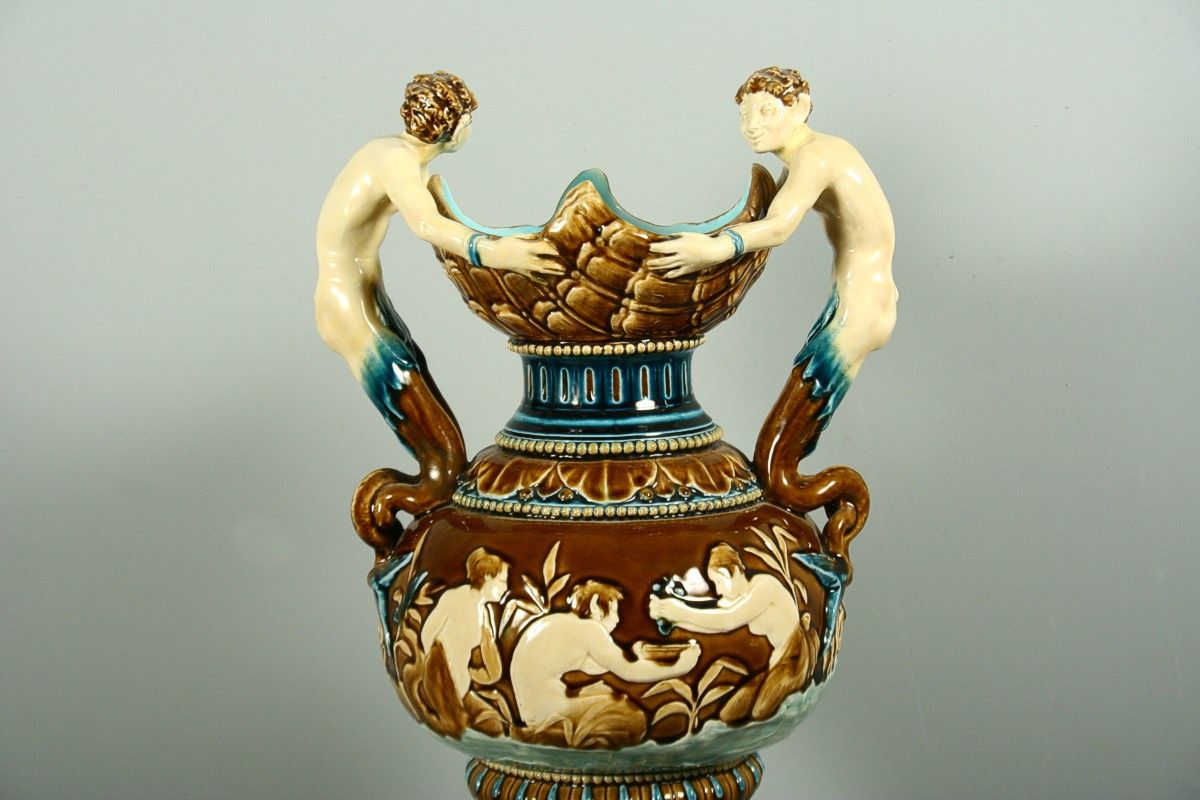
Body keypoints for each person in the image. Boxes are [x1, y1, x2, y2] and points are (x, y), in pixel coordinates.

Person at [646, 66, 896, 382]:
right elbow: (763, 217)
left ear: (800, 108)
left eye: (766, 111)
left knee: (799, 407)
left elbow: (778, 226)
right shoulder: (802, 160)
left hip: (862, 304)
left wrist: (716, 248)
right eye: (744, 115)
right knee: (799, 407)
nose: (752, 125)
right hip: (855, 295)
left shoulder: (816, 156)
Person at [315, 70, 561, 377]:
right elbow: (426, 224)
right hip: (344, 296)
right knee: (408, 390)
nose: (470, 131)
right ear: (453, 130)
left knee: (415, 376)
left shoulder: (405, 158)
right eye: (468, 123)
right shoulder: (396, 159)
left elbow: (449, 221)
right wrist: (495, 253)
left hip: (365, 288)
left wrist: (508, 239)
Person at [509, 580, 700, 746]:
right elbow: (628, 671)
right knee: (632, 716)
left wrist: (638, 655)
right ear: (595, 605)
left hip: (532, 708)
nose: (617, 620)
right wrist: (680, 666)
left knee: (605, 694)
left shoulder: (561, 622)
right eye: (614, 610)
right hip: (550, 710)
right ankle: (555, 734)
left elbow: (599, 666)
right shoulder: (589, 629)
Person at [648, 543, 819, 722]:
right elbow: (710, 620)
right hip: (775, 663)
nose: (718, 590)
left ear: (733, 571)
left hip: (794, 659)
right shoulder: (737, 598)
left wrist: (678, 611)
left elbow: (728, 620)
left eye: (719, 581)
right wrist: (673, 617)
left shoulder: (766, 587)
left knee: (761, 712)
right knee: (729, 714)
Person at [419, 547, 510, 703]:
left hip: (461, 685)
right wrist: (435, 667)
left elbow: (493, 667)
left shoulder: (484, 614)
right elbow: (427, 633)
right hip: (440, 680)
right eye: (502, 581)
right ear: (487, 576)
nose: (506, 588)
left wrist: (471, 674)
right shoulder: (453, 597)